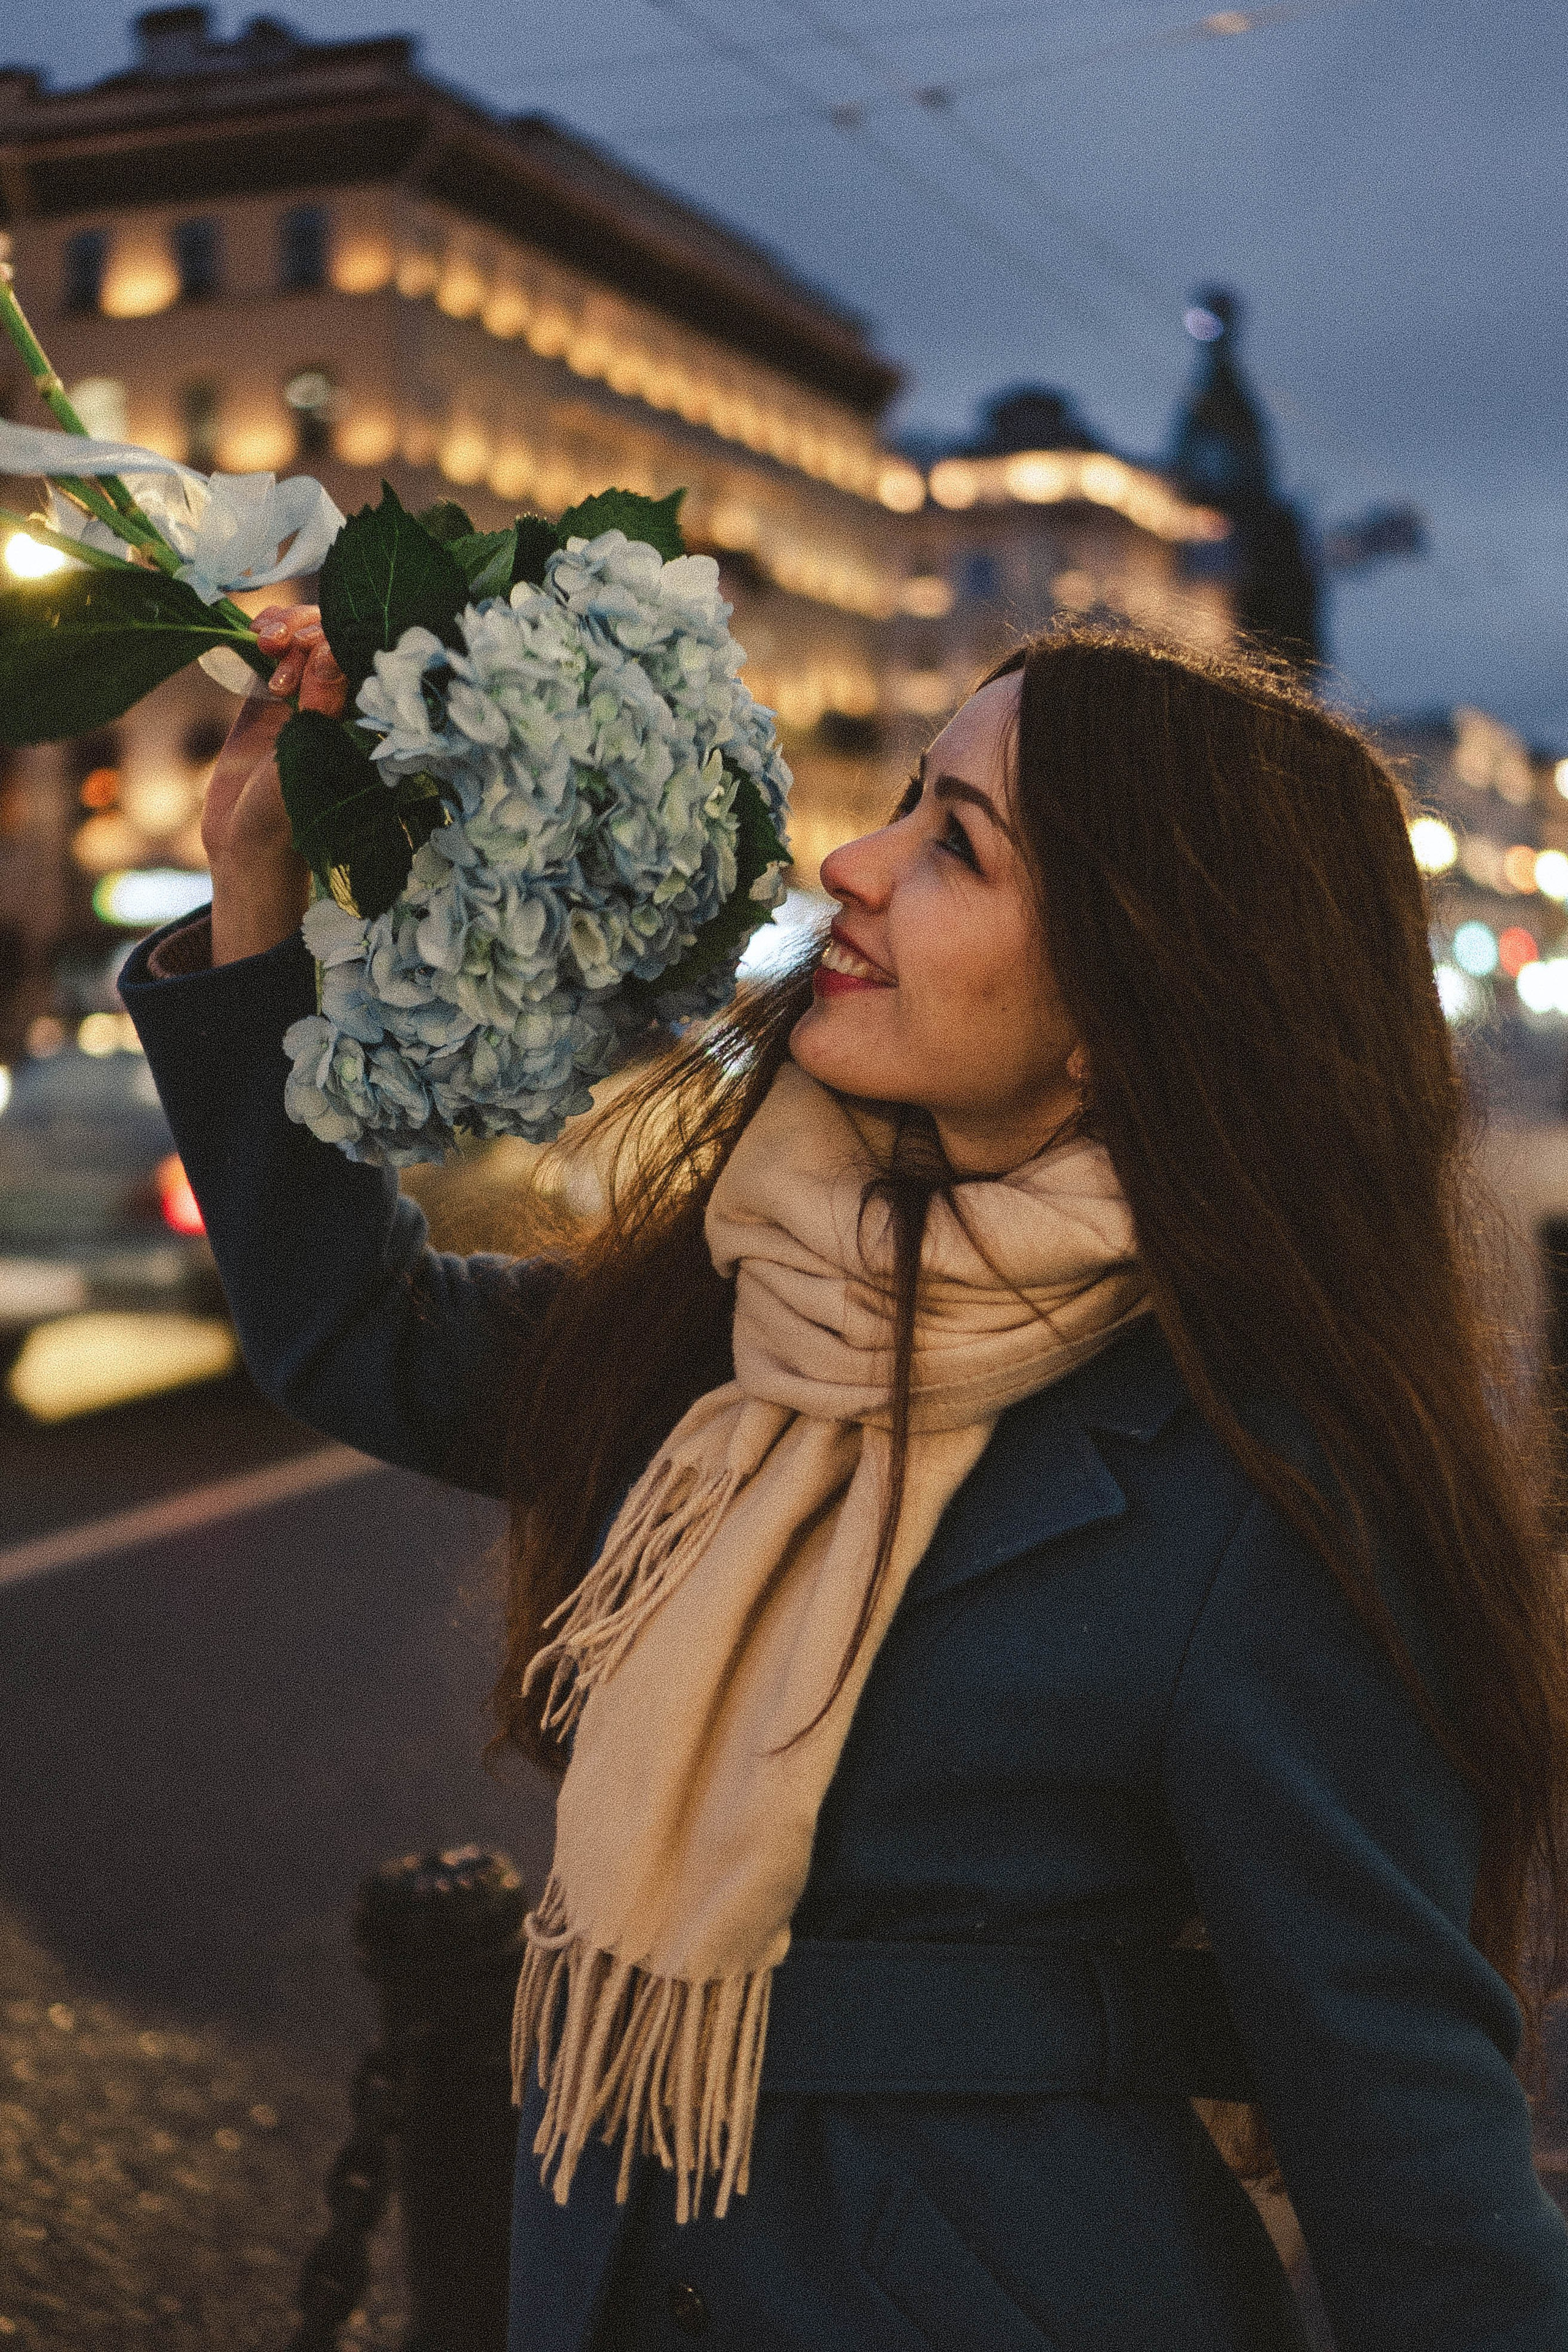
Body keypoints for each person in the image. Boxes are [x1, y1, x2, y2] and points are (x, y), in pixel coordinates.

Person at [120, 606, 1568, 2352]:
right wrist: (259, 886)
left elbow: (1414, 2166)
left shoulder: (1259, 1491)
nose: (848, 866)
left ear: (1132, 994)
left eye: (955, 847)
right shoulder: (761, 1303)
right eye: (904, 805)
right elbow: (361, 1332)